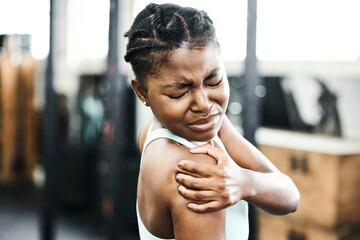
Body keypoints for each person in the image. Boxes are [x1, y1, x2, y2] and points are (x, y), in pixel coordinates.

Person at [124, 3, 300, 239]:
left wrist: (244, 182)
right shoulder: (200, 177)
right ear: (142, 93)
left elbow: (290, 195)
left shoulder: (174, 129)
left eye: (213, 80)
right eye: (179, 92)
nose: (204, 104)